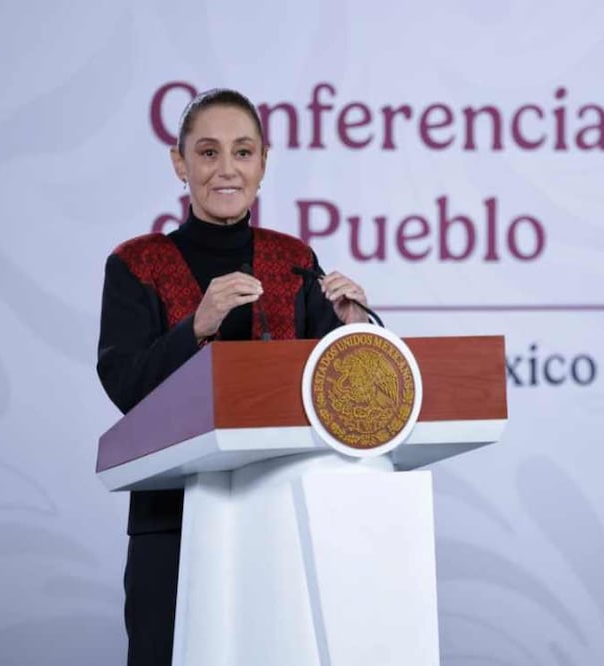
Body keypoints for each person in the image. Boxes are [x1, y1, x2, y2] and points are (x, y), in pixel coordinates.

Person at [96, 88, 370, 666]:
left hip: (282, 515)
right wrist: (197, 326)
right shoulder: (135, 264)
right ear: (180, 163)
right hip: (173, 521)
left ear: (263, 164)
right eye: (208, 152)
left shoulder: (293, 259)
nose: (227, 169)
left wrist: (352, 330)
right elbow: (126, 387)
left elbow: (339, 392)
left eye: (243, 152)